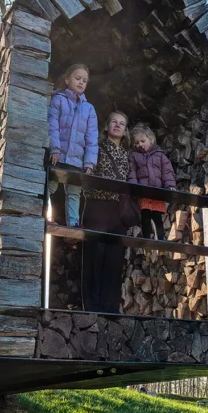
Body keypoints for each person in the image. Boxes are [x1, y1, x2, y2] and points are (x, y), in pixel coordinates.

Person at [82, 110, 132, 314]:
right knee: (94, 255)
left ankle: (110, 308)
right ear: (106, 126)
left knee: (114, 258)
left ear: (126, 130)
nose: (118, 125)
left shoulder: (128, 155)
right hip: (97, 205)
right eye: (114, 121)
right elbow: (87, 175)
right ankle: (91, 307)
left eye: (122, 123)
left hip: (117, 209)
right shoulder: (96, 148)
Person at [47, 64, 98, 227]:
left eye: (85, 80)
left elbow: (92, 138)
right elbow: (52, 126)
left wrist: (89, 162)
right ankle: (45, 216)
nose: (81, 82)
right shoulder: (57, 100)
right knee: (50, 186)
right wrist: (54, 148)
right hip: (58, 155)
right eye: (77, 78)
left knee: (74, 192)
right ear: (67, 79)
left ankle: (73, 223)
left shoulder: (89, 109)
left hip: (76, 160)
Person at [128, 123, 176, 240]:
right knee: (145, 215)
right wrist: (134, 186)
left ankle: (160, 238)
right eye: (137, 143)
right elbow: (132, 171)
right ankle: (146, 238)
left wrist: (170, 186)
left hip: (157, 193)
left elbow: (167, 172)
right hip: (143, 192)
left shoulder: (160, 156)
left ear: (151, 139)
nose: (140, 144)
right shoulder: (134, 156)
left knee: (157, 216)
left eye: (142, 141)